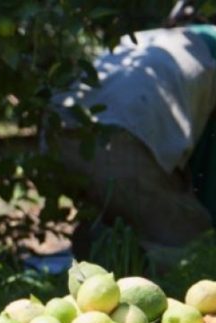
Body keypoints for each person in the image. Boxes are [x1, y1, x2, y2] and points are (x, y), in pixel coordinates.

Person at [50, 12, 216, 265]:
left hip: (58, 122)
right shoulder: (204, 51)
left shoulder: (176, 39)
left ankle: (98, 273)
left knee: (111, 219)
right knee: (195, 245)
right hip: (120, 134)